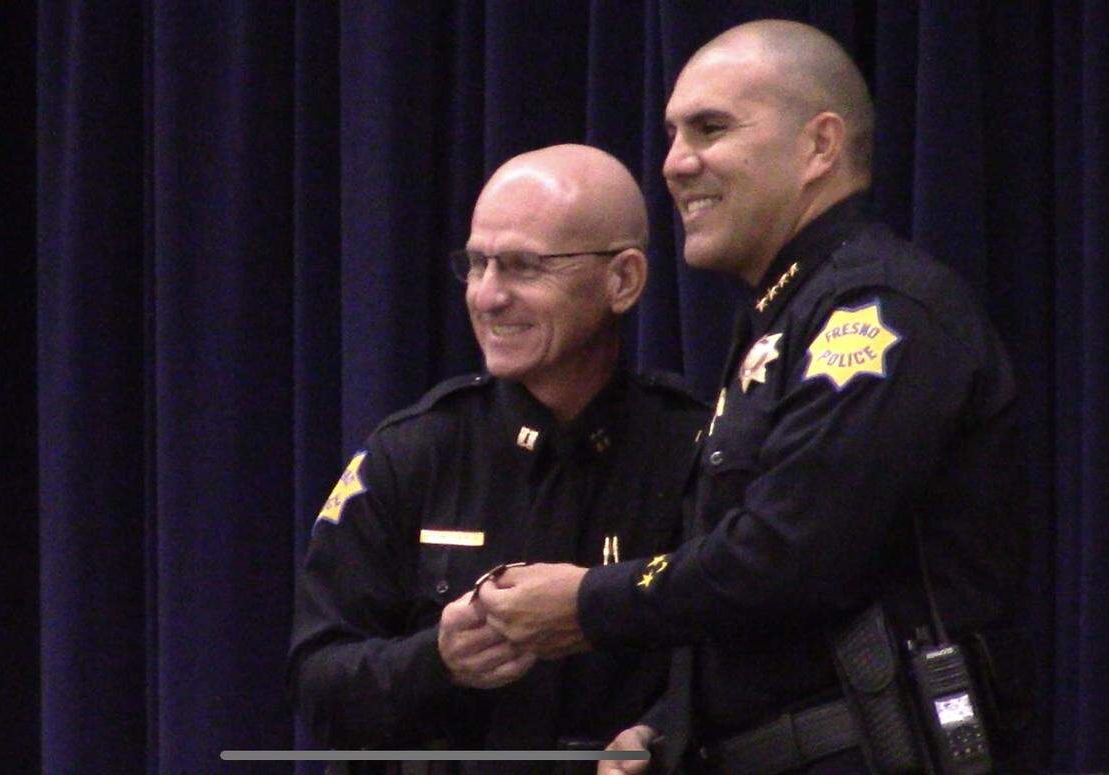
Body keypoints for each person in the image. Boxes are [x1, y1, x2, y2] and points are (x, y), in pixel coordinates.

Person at [478, 20, 1031, 773]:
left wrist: (586, 604)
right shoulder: (788, 316)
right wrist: (668, 728)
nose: (675, 164)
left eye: (710, 129)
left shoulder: (878, 311)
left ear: (819, 146)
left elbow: (788, 558)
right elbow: (779, 630)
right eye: (671, 135)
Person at [287, 144, 709, 767]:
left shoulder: (692, 450)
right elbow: (317, 683)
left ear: (622, 280)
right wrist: (437, 661)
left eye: (522, 267)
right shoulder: (416, 451)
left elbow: (740, 656)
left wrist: (658, 730)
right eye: (477, 264)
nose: (486, 297)